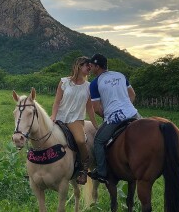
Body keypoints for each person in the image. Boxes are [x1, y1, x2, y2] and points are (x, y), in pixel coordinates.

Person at [87, 53, 141, 183]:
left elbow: (96, 108)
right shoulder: (120, 75)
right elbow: (132, 95)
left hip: (114, 118)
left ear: (97, 67)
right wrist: (126, 107)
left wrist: (108, 116)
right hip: (133, 113)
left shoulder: (95, 83)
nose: (90, 68)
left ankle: (101, 172)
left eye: (92, 65)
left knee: (98, 141)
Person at [51, 56, 98, 185]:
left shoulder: (88, 86)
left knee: (80, 141)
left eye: (90, 67)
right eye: (87, 66)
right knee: (44, 135)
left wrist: (95, 125)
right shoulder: (64, 82)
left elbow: (89, 108)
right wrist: (53, 116)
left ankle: (83, 170)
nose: (89, 69)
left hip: (75, 119)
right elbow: (56, 102)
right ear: (79, 66)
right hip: (60, 117)